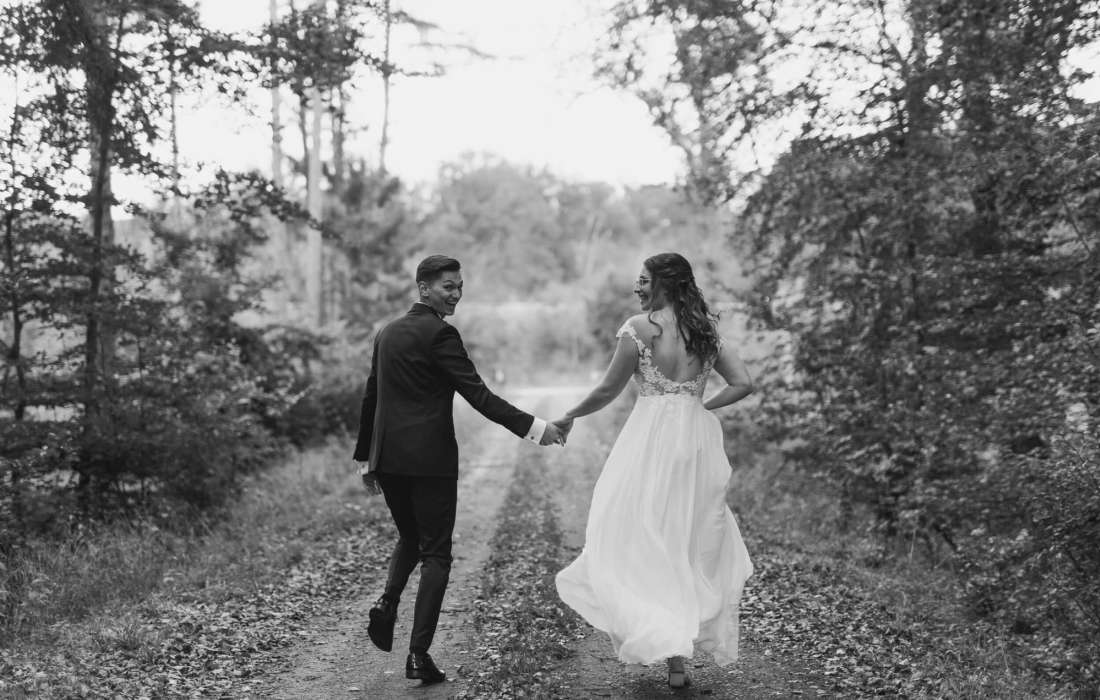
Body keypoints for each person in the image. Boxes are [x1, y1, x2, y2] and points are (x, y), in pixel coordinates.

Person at [353, 255, 565, 685]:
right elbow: (479, 396)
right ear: (424, 288)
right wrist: (536, 428)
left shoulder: (387, 332)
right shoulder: (441, 334)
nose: (457, 295)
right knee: (436, 553)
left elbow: (372, 397)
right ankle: (418, 655)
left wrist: (365, 458)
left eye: (460, 287)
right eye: (448, 287)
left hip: (389, 459)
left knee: (410, 536)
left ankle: (387, 602)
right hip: (429, 462)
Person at [552, 252, 755, 689]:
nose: (637, 287)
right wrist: (700, 406)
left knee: (644, 532)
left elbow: (607, 390)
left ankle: (663, 637)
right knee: (686, 537)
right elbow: (743, 383)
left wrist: (569, 415)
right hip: (695, 442)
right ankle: (676, 659)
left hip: (651, 441)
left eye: (644, 280)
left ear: (665, 283)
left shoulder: (637, 329)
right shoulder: (705, 332)